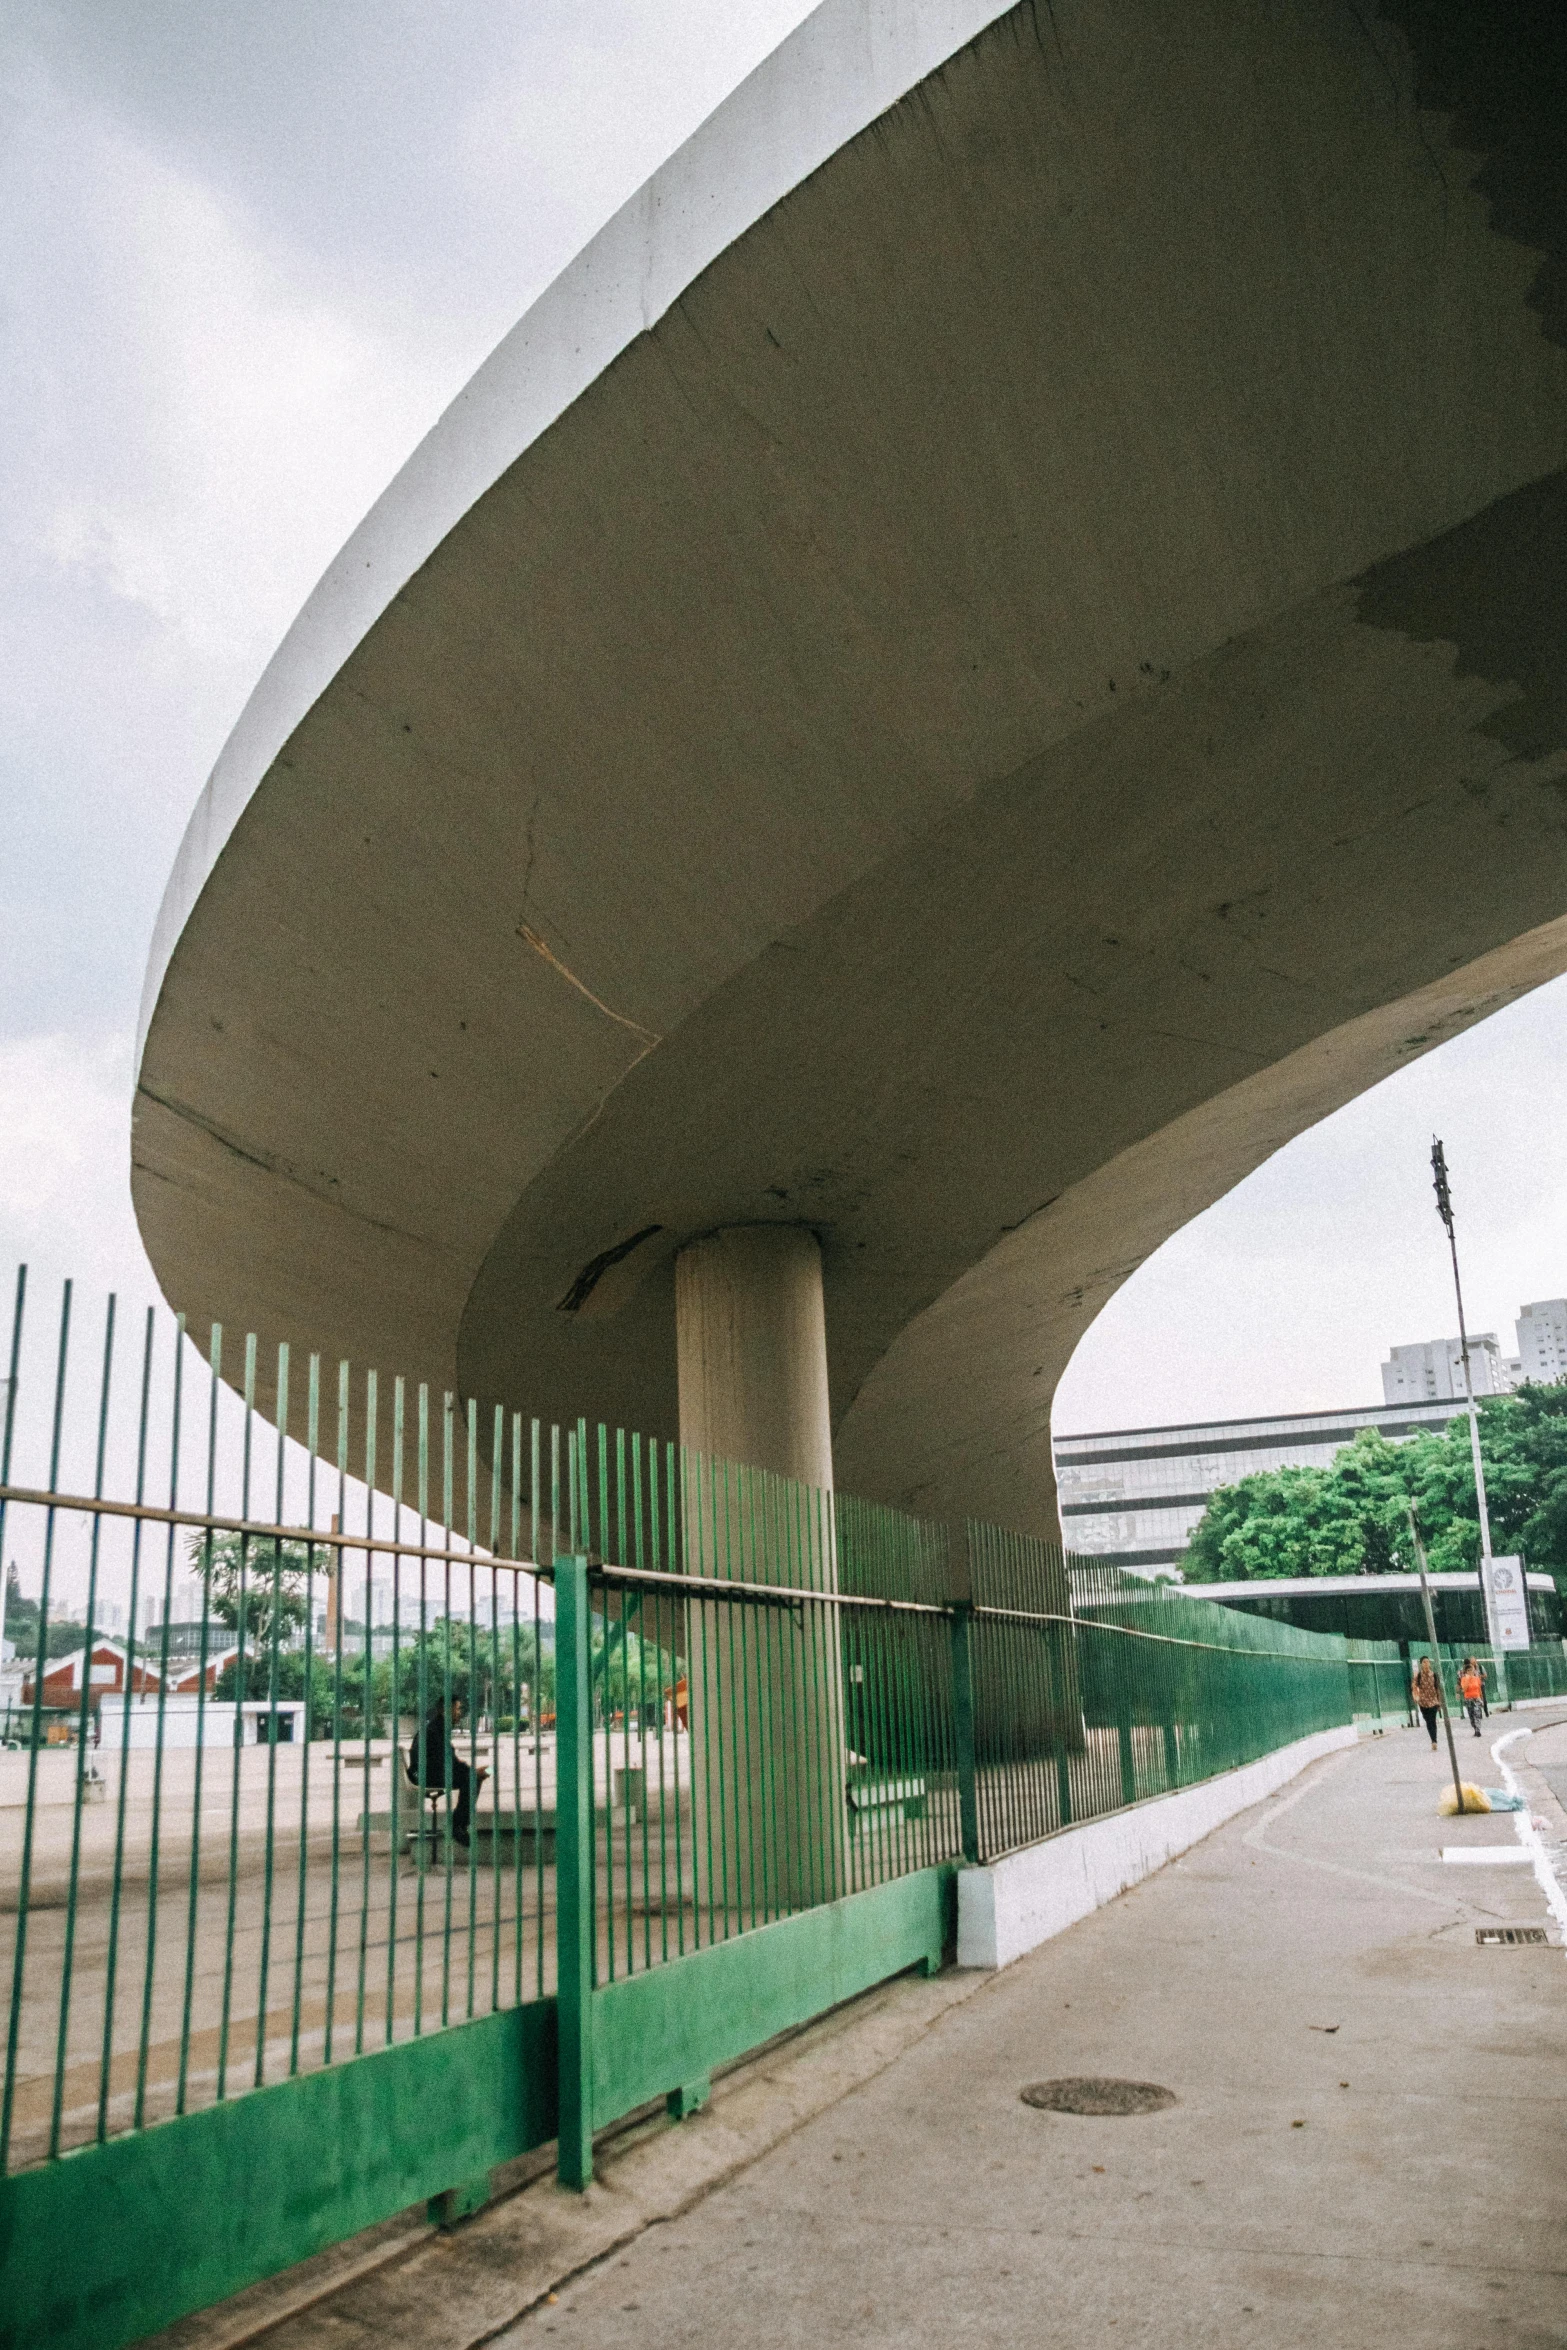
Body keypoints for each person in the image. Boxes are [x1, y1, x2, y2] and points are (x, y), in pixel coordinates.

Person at [410, 1694, 487, 1848]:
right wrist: (471, 1772)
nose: (459, 1712)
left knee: (472, 1776)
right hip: (427, 1775)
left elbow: (448, 1761)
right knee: (472, 1779)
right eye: (457, 1708)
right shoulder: (435, 1731)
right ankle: (457, 1826)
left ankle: (459, 1825)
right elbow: (445, 1762)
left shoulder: (436, 1728)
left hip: (426, 1772)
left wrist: (469, 1770)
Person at [1410, 1653, 1442, 1750]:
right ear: (1421, 1664)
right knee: (1428, 1721)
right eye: (1424, 1662)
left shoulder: (1434, 1675)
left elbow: (1437, 1688)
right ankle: (1432, 1738)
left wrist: (1439, 1701)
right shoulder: (1418, 1676)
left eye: (1428, 1662)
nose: (1426, 1664)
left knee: (1432, 1720)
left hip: (1433, 1701)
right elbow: (1414, 1687)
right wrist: (1416, 1696)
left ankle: (1434, 1740)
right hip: (1423, 1702)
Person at [1458, 1657, 1485, 1738]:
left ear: (1474, 1670)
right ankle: (1474, 1727)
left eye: (1471, 1670)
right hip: (1468, 1699)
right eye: (1468, 1670)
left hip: (1476, 1698)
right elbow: (1464, 1689)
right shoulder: (1463, 1679)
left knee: (1477, 1714)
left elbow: (1479, 1689)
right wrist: (1468, 1679)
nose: (1470, 1672)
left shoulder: (1477, 1679)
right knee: (1471, 1716)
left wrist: (1482, 1698)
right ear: (1466, 1672)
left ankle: (1478, 1730)